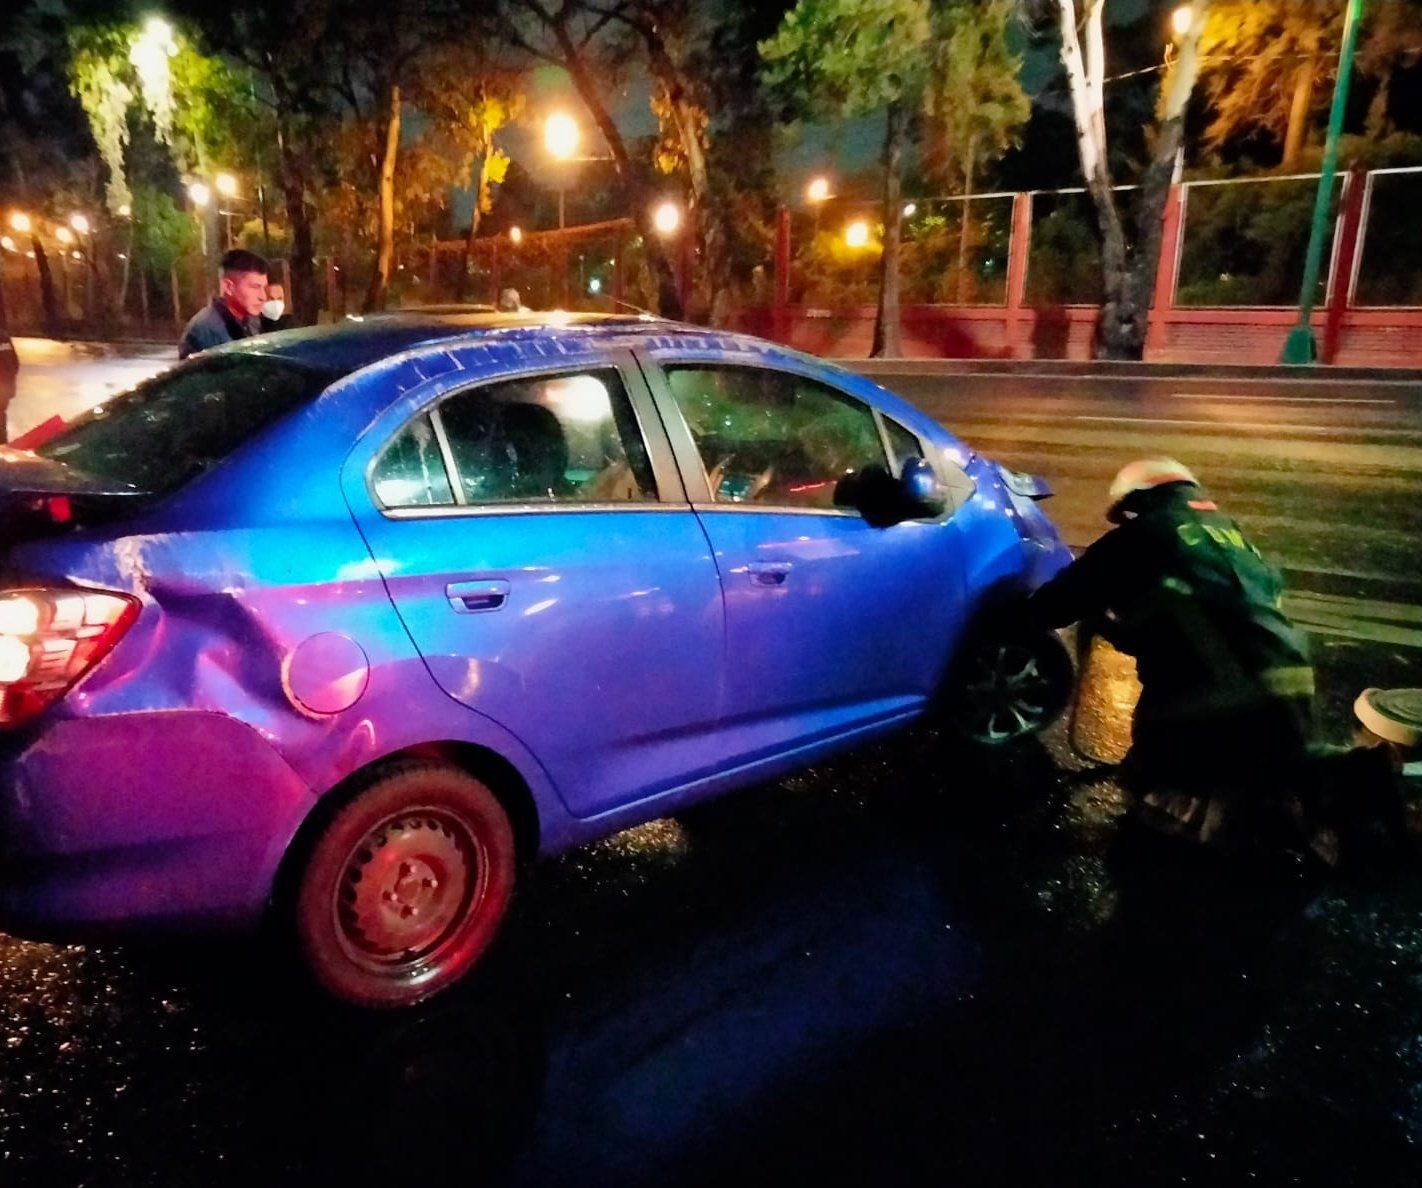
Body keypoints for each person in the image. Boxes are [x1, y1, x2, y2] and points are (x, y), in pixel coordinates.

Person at [1030, 457, 1404, 865]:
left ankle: (1232, 853)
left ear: (1136, 502)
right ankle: (1359, 777)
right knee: (1283, 754)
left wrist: (1011, 614)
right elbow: (1207, 610)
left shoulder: (1143, 534)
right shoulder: (1231, 534)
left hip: (1216, 692)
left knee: (1152, 783)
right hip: (1291, 678)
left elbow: (1055, 604)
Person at [179, 248, 269, 359]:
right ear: (228, 287)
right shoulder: (205, 329)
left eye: (264, 288)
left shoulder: (252, 320)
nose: (263, 297)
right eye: (255, 287)